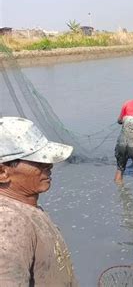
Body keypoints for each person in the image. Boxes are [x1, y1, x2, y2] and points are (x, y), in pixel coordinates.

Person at [0, 117, 78, 286]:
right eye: (38, 161)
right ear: (3, 173)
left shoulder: (26, 208)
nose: (49, 165)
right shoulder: (8, 222)